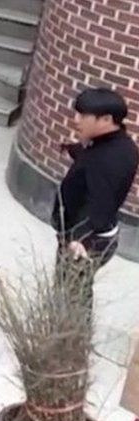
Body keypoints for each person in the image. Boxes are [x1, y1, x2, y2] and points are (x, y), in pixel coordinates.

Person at [52, 87, 139, 315]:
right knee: (69, 293)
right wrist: (75, 150)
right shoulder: (115, 144)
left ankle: (69, 346)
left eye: (83, 116)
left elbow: (100, 201)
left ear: (106, 120)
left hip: (87, 241)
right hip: (87, 235)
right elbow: (92, 160)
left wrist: (79, 240)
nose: (76, 120)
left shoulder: (110, 160)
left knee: (72, 299)